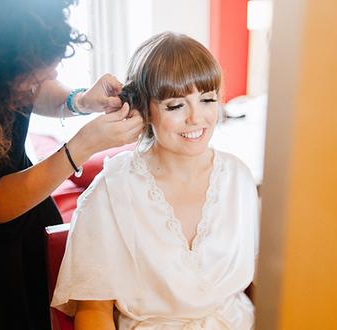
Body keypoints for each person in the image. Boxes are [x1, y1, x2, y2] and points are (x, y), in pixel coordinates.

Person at [52, 32, 259, 329]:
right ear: (144, 109)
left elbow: (259, 276)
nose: (196, 118)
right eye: (176, 106)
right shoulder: (112, 190)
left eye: (207, 99)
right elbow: (94, 312)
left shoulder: (238, 177)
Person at [0, 1, 143, 329]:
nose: (46, 78)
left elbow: (38, 87)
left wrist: (80, 100)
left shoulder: (10, 70)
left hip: (30, 213)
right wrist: (82, 146)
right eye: (32, 75)